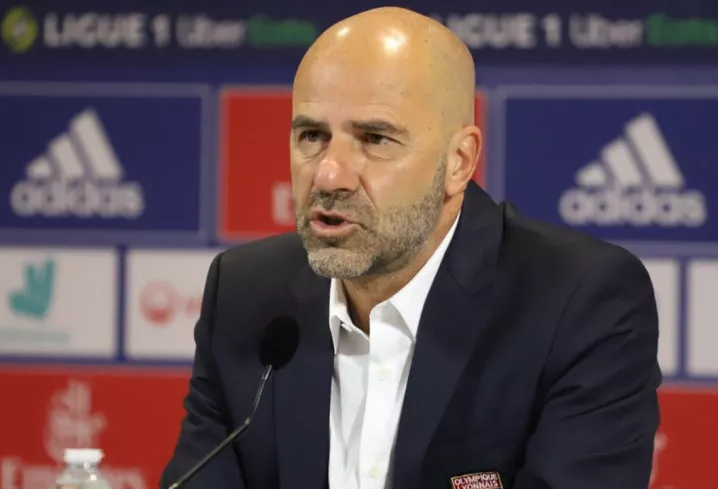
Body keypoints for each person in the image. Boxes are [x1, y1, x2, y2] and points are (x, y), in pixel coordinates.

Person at [160, 6, 661, 489]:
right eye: (311, 135)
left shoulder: (578, 302)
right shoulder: (245, 295)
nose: (329, 175)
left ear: (459, 162)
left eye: (375, 139)